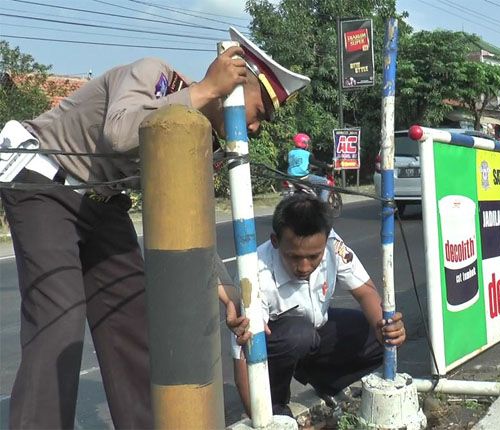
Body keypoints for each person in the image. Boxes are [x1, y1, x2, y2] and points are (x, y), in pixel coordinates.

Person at [0, 28, 309, 429]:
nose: (256, 128)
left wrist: (228, 291)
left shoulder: (197, 134)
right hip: (43, 179)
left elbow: (188, 223)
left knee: (131, 322)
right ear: (235, 80)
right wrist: (201, 93)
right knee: (59, 319)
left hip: (103, 203)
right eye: (259, 112)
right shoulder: (156, 75)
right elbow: (119, 133)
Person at [224, 194, 406, 418]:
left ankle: (326, 382)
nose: (304, 266)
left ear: (326, 240)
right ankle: (276, 404)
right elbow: (242, 355)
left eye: (313, 256)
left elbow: (366, 291)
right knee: (298, 334)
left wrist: (387, 327)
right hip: (279, 346)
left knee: (380, 335)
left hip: (315, 335)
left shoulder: (332, 246)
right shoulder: (253, 272)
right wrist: (260, 418)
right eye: (294, 257)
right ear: (275, 241)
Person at [286, 132, 334, 202]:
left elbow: (297, 164)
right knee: (327, 183)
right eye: (307, 143)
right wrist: (327, 166)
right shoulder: (307, 154)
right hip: (304, 177)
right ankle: (323, 204)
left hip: (291, 177)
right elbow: (316, 163)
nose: (308, 145)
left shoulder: (291, 153)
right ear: (303, 143)